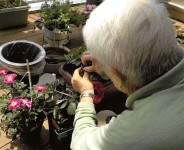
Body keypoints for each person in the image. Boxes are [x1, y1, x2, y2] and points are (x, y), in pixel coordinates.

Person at [70, 0, 184, 149]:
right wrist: (107, 63)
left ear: (116, 76)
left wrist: (86, 94)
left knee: (103, 116)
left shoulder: (140, 131)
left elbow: (80, 144)